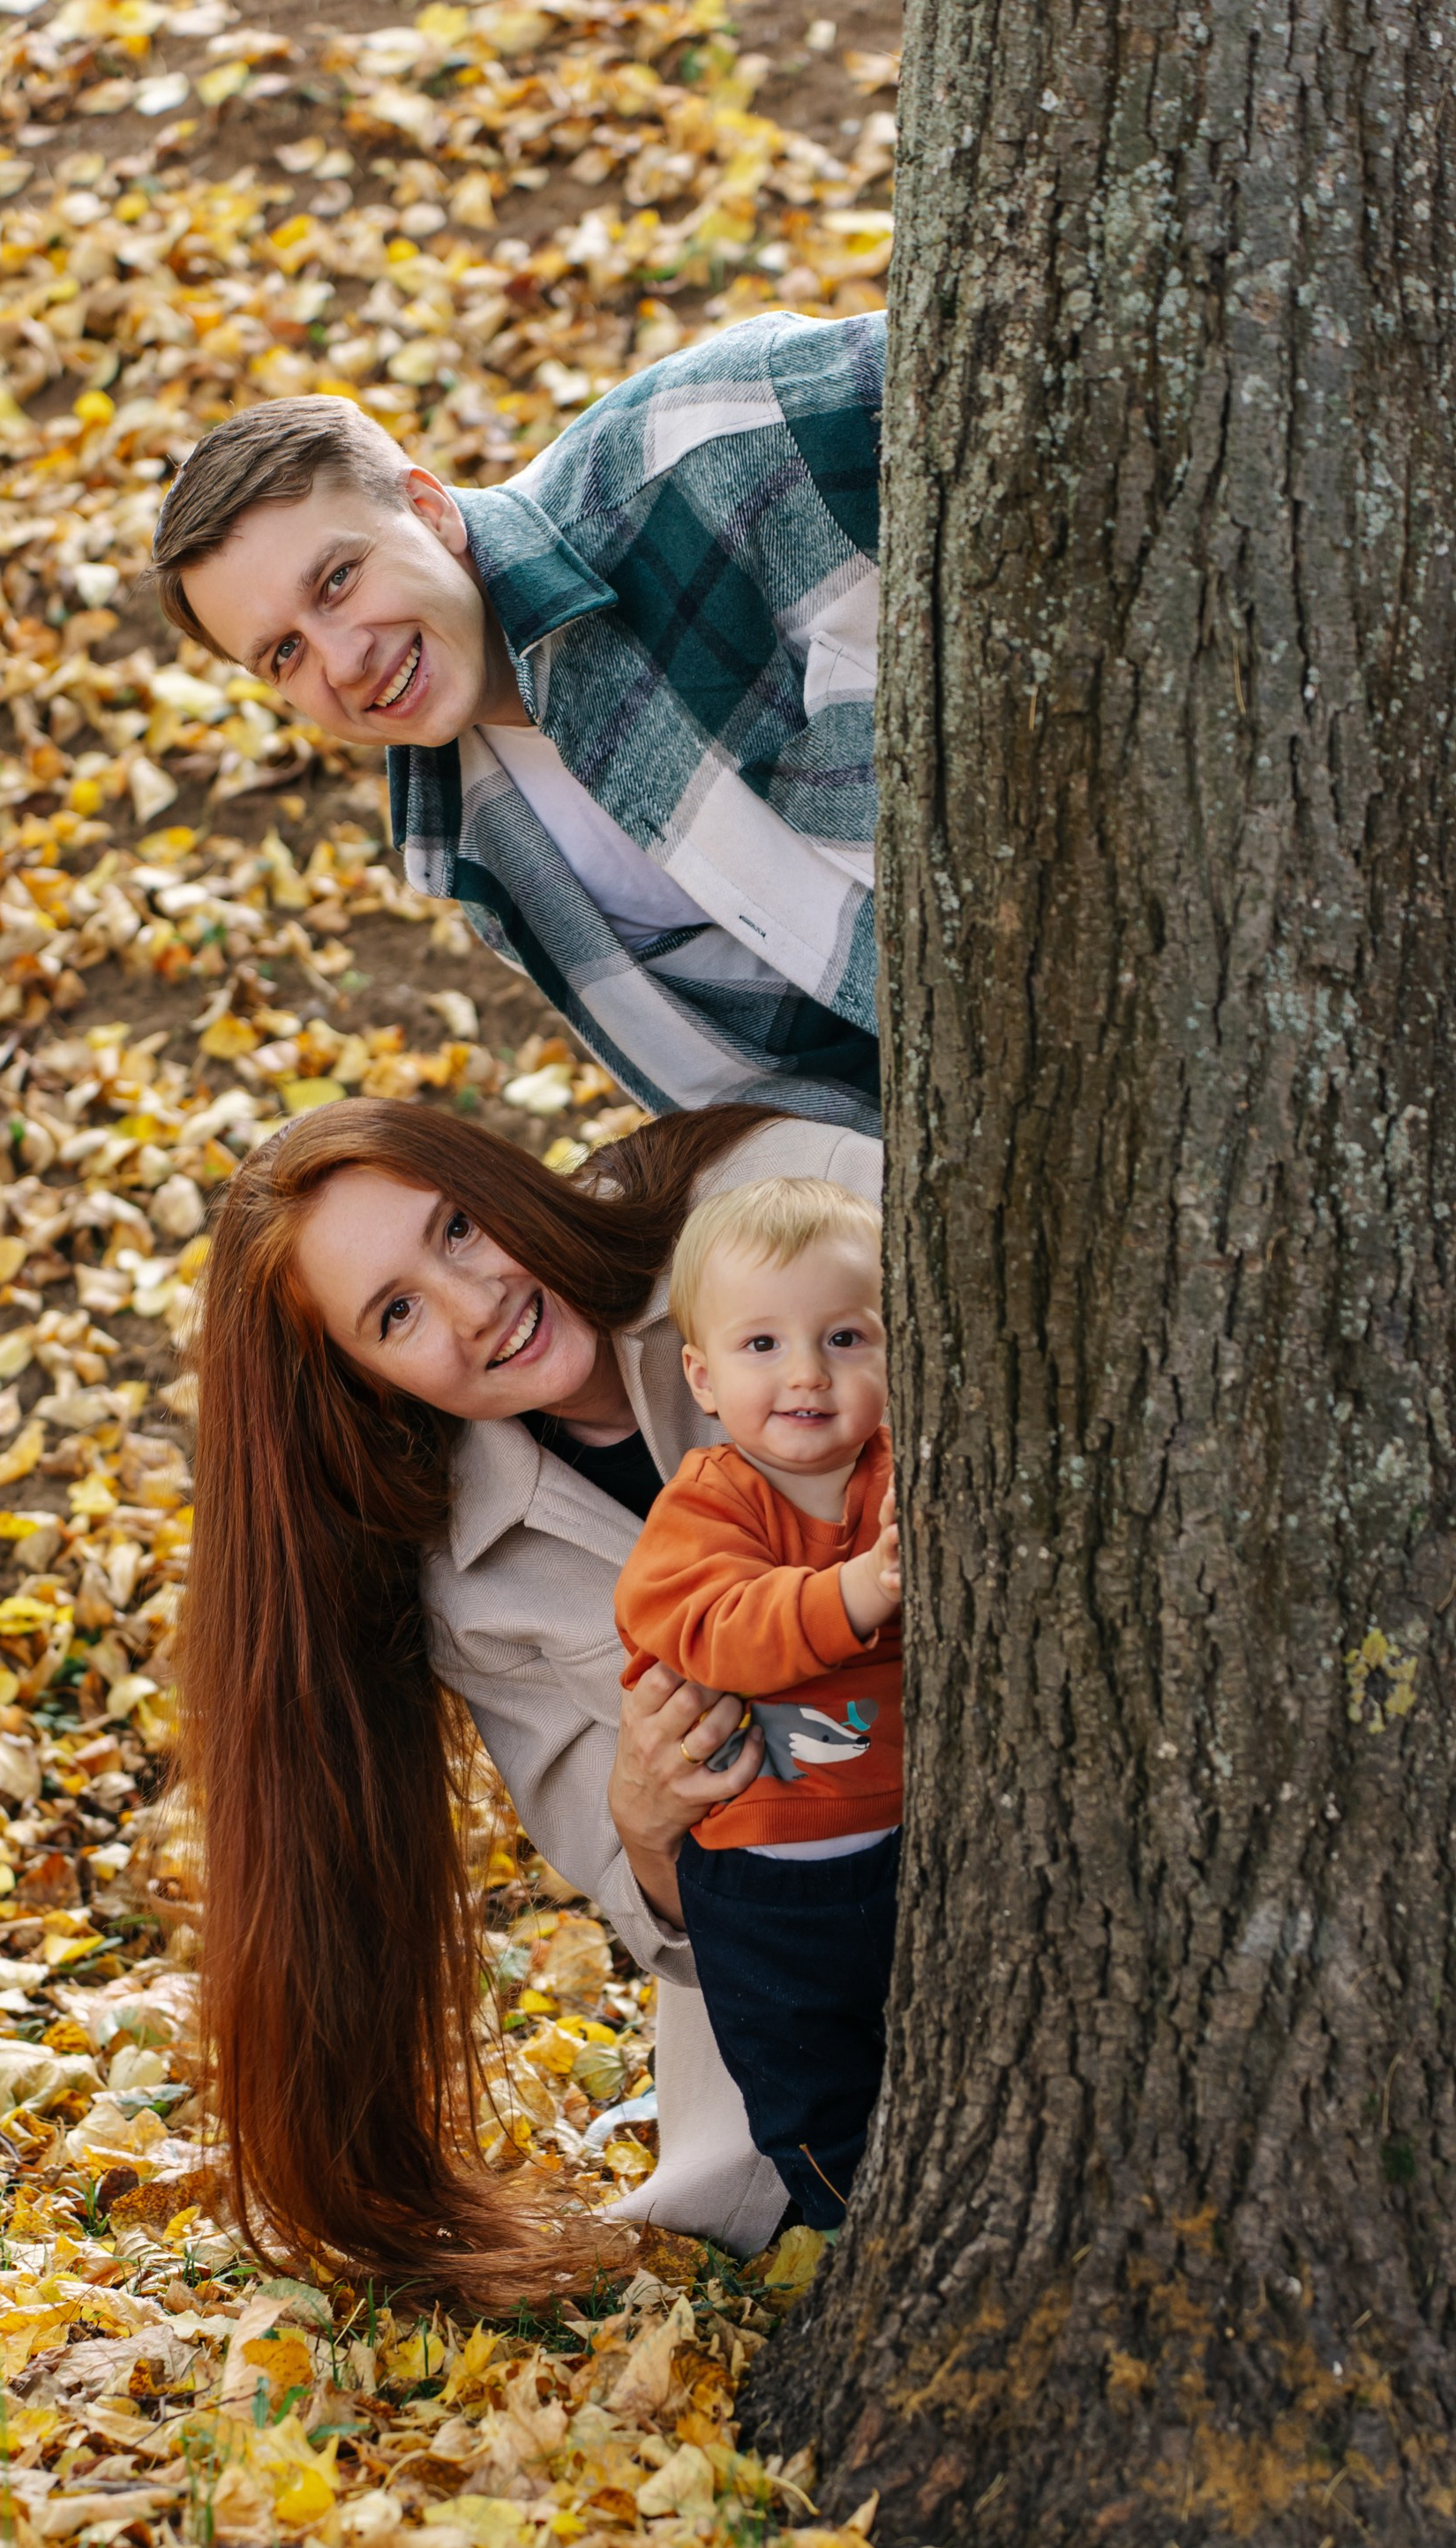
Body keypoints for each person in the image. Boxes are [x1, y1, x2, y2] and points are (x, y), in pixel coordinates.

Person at [177, 1097, 881, 2295]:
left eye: (457, 1230)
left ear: (497, 1179)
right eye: (396, 1314)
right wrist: (650, 1816)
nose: (474, 1305)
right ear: (363, 1378)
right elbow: (660, 1929)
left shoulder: (774, 1199)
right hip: (817, 1958)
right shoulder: (471, 1581)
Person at [147, 312, 884, 1131]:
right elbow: (766, 1089)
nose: (343, 662)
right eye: (284, 653)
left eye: (337, 581)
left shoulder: (712, 437)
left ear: (429, 511)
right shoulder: (481, 843)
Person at [614, 1179, 900, 2229]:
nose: (808, 1374)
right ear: (701, 1372)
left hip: (914, 1848)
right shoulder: (705, 1504)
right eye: (762, 1345)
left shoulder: (891, 1475)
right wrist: (856, 1591)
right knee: (813, 2098)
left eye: (842, 1336)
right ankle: (851, 2235)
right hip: (765, 1889)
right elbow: (718, 1630)